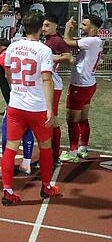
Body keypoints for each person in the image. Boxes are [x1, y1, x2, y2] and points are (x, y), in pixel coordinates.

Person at [1, 12, 61, 205]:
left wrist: (17, 91)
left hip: (16, 105)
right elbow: (46, 79)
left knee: (11, 148)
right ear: (40, 29)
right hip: (37, 107)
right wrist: (50, 110)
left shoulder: (13, 46)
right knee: (45, 148)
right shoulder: (43, 50)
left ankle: (8, 191)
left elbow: (8, 74)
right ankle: (46, 186)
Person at [0, 38, 36, 179]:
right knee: (27, 129)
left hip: (16, 101)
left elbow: (8, 78)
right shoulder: (23, 54)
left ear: (1, 47)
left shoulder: (2, 58)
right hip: (30, 99)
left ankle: (5, 167)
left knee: (7, 131)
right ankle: (26, 164)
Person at [60, 15, 104, 162]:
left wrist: (67, 28)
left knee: (71, 119)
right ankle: (83, 149)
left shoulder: (90, 40)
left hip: (80, 85)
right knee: (83, 118)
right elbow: (73, 43)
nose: (81, 27)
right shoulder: (96, 40)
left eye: (84, 25)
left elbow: (67, 41)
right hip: (89, 84)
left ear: (92, 28)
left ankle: (73, 153)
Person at [42, 14, 73, 164]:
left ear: (55, 26)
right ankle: (50, 156)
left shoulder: (56, 40)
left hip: (53, 84)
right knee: (48, 120)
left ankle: (54, 156)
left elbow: (69, 58)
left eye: (47, 25)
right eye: (43, 25)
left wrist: (50, 57)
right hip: (48, 84)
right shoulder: (49, 40)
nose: (43, 28)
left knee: (51, 120)